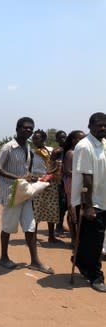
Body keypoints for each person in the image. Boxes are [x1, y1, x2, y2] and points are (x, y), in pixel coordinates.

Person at [0, 117, 53, 274]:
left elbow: (24, 171)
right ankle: (4, 257)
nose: (28, 131)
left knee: (30, 226)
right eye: (25, 128)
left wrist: (30, 177)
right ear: (17, 128)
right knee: (8, 226)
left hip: (25, 192)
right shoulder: (8, 148)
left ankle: (35, 261)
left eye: (30, 129)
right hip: (11, 193)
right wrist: (18, 178)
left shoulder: (28, 147)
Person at [71, 112, 106, 292]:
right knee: (96, 242)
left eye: (105, 125)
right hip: (91, 201)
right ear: (90, 125)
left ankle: (80, 261)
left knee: (88, 238)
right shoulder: (85, 146)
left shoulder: (103, 143)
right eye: (99, 125)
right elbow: (87, 179)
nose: (103, 128)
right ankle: (95, 276)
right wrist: (88, 205)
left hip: (103, 198)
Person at [31, 129, 63, 243]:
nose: (35, 140)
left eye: (37, 138)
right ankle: (33, 236)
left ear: (44, 139)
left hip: (51, 182)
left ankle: (51, 236)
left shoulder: (51, 151)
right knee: (36, 209)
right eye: (33, 138)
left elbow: (57, 164)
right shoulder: (31, 152)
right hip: (37, 182)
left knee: (52, 208)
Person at [63, 130, 86, 245]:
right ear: (73, 140)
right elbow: (67, 171)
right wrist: (84, 173)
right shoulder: (70, 153)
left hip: (80, 184)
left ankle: (78, 238)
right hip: (72, 184)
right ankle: (73, 238)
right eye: (79, 139)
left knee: (79, 211)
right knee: (72, 211)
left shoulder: (82, 152)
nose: (82, 141)